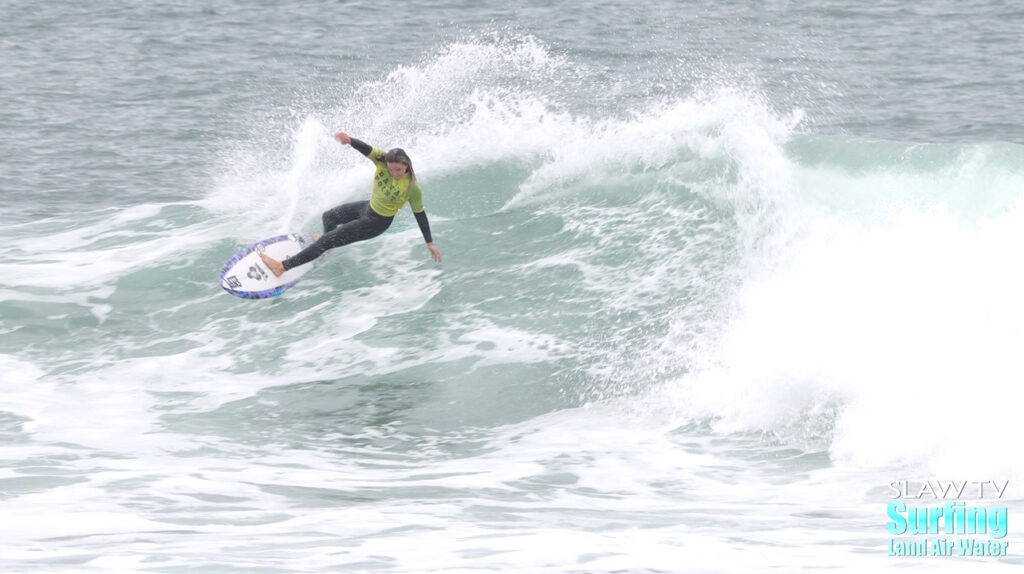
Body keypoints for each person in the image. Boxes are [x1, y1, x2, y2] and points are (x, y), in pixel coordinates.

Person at [260, 132, 442, 277]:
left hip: (376, 223)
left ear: (407, 166)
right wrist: (349, 140)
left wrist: (430, 242)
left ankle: (282, 267)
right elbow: (367, 149)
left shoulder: (412, 188)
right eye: (392, 169)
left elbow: (420, 214)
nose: (395, 173)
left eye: (399, 170)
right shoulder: (382, 161)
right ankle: (325, 248)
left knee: (325, 240)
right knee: (329, 217)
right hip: (368, 208)